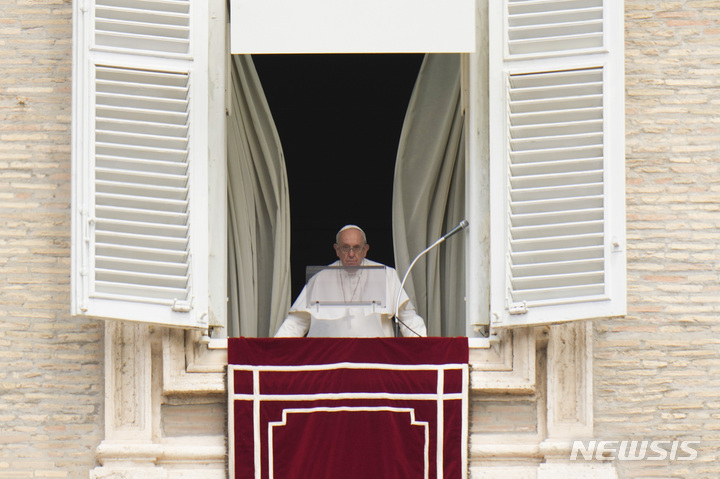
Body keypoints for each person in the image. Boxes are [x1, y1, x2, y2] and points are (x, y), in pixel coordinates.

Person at [274, 225, 427, 338]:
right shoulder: (319, 279)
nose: (352, 254)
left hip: (373, 361)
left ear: (365, 249)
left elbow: (407, 318)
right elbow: (296, 323)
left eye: (357, 248)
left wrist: (424, 347)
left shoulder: (387, 275)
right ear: (337, 249)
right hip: (330, 363)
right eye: (346, 248)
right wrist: (274, 350)